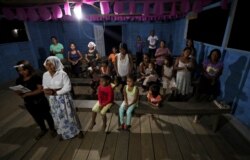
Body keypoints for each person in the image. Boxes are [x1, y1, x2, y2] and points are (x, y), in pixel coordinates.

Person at [42, 56, 83, 140]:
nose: (49, 67)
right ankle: (62, 132)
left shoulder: (62, 74)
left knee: (69, 115)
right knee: (57, 115)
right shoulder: (45, 75)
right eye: (47, 65)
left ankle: (77, 131)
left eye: (51, 65)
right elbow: (45, 86)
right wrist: (46, 90)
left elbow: (68, 87)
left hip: (63, 98)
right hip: (53, 99)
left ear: (56, 64)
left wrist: (56, 92)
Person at [14, 60, 56, 140]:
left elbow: (40, 89)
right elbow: (20, 91)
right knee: (37, 117)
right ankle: (43, 129)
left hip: (40, 101)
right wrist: (19, 93)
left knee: (47, 115)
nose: (22, 72)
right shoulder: (18, 80)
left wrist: (27, 94)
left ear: (29, 68)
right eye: (19, 71)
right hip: (29, 102)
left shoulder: (36, 77)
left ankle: (52, 129)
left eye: (24, 70)